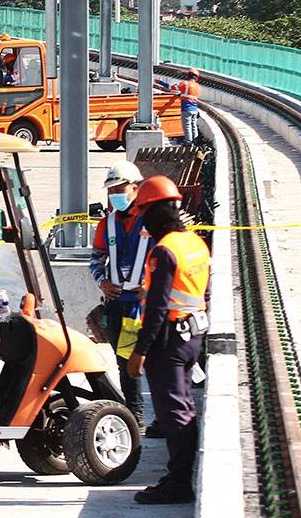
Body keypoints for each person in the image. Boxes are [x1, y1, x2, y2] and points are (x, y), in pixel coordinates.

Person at [125, 175, 211, 505]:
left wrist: (139, 353)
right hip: (193, 336)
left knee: (175, 413)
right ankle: (177, 477)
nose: (142, 218)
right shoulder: (194, 243)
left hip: (169, 343)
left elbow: (157, 308)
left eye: (144, 211)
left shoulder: (164, 251)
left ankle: (178, 483)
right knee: (184, 406)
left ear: (155, 211)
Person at [88, 160, 157, 435]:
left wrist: (151, 286)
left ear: (135, 188)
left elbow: (165, 257)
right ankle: (135, 412)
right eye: (111, 189)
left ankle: (156, 414)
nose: (115, 194)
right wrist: (102, 281)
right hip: (119, 304)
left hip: (145, 305)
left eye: (120, 188)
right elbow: (97, 259)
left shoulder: (152, 220)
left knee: (153, 360)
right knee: (125, 359)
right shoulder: (108, 223)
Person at [157, 68, 201, 146]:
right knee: (193, 125)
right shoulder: (197, 86)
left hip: (186, 109)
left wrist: (160, 82)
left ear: (188, 75)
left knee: (187, 126)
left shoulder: (185, 84)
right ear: (196, 77)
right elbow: (189, 95)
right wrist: (181, 95)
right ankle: (195, 141)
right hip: (195, 109)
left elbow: (171, 87)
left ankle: (188, 143)